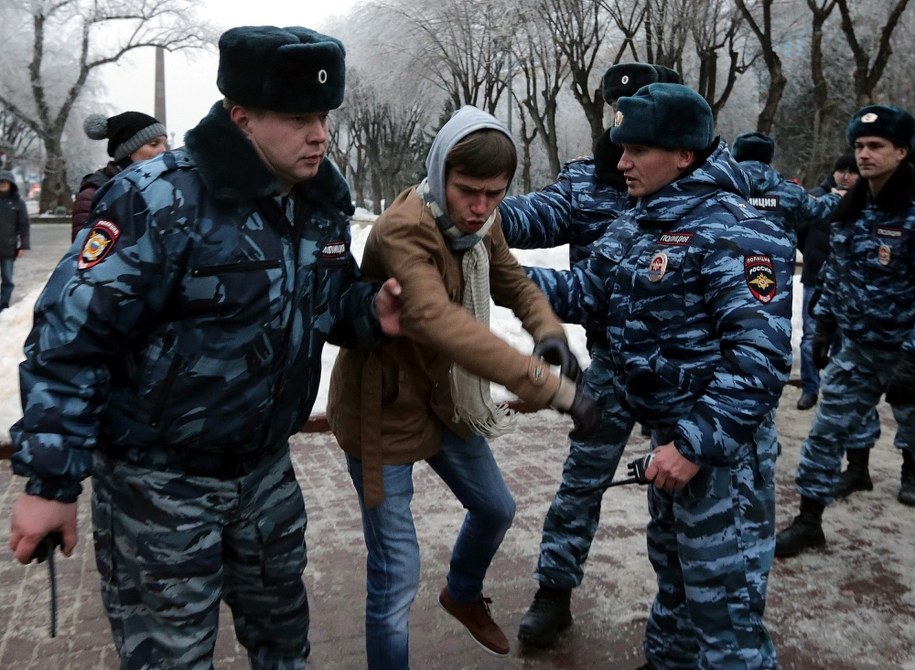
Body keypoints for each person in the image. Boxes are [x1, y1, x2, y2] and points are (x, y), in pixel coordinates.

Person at [8, 25, 402, 669]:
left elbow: (322, 304)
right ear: (242, 118)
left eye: (324, 116)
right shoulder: (157, 200)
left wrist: (369, 313)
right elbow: (69, 340)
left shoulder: (316, 204)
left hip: (266, 475)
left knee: (284, 648)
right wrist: (50, 482)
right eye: (299, 117)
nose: (320, 134)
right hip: (158, 487)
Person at [530, 83, 794, 669]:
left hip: (721, 460)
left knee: (725, 618)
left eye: (637, 149)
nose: (620, 161)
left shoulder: (737, 231)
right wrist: (488, 273)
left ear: (684, 153)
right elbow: (584, 292)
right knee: (675, 589)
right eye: (621, 146)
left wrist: (694, 447)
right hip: (670, 445)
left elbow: (760, 358)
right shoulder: (639, 223)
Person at [326, 105, 599, 667]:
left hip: (444, 400)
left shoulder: (482, 223)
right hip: (384, 411)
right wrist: (552, 387)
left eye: (495, 194)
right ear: (440, 171)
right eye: (468, 190)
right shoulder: (403, 229)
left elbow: (514, 283)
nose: (480, 208)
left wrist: (548, 332)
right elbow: (441, 323)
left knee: (496, 508)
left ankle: (463, 592)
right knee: (395, 577)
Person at [498, 61, 679, 648]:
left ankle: (680, 625)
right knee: (580, 481)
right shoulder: (588, 181)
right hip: (615, 362)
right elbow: (528, 218)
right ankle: (555, 592)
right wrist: (468, 202)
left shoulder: (698, 184)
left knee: (681, 496)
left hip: (686, 375)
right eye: (618, 110)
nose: (624, 130)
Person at [776, 103, 915, 558]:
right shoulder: (851, 209)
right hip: (856, 346)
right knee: (825, 432)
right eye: (859, 146)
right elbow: (836, 273)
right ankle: (810, 519)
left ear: (902, 150)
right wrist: (823, 327)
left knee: (912, 423)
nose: (865, 155)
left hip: (904, 348)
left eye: (876, 146)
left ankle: (910, 472)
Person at [796, 153, 860, 409]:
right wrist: (813, 255)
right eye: (841, 170)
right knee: (810, 335)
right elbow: (800, 232)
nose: (845, 176)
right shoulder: (814, 198)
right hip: (815, 279)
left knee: (843, 339)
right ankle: (810, 388)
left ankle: (837, 391)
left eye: (851, 171)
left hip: (849, 283)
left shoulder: (863, 202)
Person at [731, 130, 841, 249]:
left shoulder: (717, 188)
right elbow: (821, 211)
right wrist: (837, 196)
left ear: (735, 155)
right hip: (775, 266)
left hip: (726, 265)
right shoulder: (791, 193)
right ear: (768, 157)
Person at [71, 111, 168, 241]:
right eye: (154, 144)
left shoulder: (163, 187)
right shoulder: (93, 195)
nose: (163, 150)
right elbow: (84, 253)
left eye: (164, 143)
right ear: (127, 151)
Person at [0, 169, 30, 310]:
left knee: (7, 279)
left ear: (10, 184)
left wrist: (23, 245)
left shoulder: (18, 203)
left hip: (8, 247)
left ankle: (3, 306)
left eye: (4, 182)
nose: (2, 184)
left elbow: (24, 225)